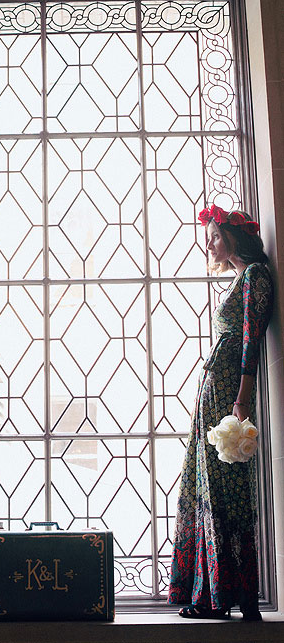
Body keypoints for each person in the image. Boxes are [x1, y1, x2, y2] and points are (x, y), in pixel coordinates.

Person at [167, 204, 273, 622]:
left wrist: (241, 402)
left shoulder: (254, 276)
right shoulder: (239, 278)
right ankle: (216, 591)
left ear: (234, 236)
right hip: (215, 388)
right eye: (208, 236)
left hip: (229, 390)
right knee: (207, 483)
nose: (208, 243)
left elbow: (251, 342)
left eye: (214, 235)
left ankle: (231, 594)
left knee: (225, 489)